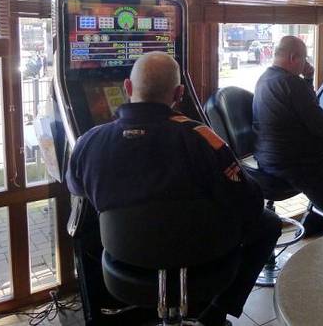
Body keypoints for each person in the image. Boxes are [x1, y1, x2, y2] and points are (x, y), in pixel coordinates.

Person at [66, 51, 281, 326]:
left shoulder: (88, 142)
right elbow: (250, 202)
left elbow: (76, 188)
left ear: (127, 88)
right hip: (203, 259)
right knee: (269, 224)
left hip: (125, 262)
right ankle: (214, 315)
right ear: (179, 94)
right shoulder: (203, 139)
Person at [253, 35, 323, 230]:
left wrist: (308, 80)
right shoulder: (293, 83)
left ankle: (321, 222)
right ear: (293, 57)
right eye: (304, 59)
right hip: (297, 166)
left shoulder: (266, 78)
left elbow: (304, 109)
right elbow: (322, 126)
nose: (306, 64)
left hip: (269, 160)